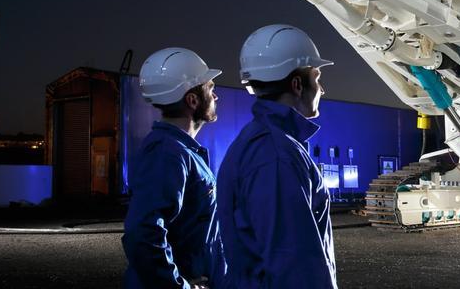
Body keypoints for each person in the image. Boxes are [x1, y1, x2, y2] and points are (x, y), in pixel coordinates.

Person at [217, 25, 337, 288]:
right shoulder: (276, 155)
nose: (322, 89)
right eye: (316, 78)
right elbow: (294, 266)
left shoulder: (258, 141)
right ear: (297, 85)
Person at [123, 48, 226, 289]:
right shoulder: (168, 154)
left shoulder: (179, 151)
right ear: (192, 100)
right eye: (211, 89)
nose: (216, 96)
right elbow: (142, 233)